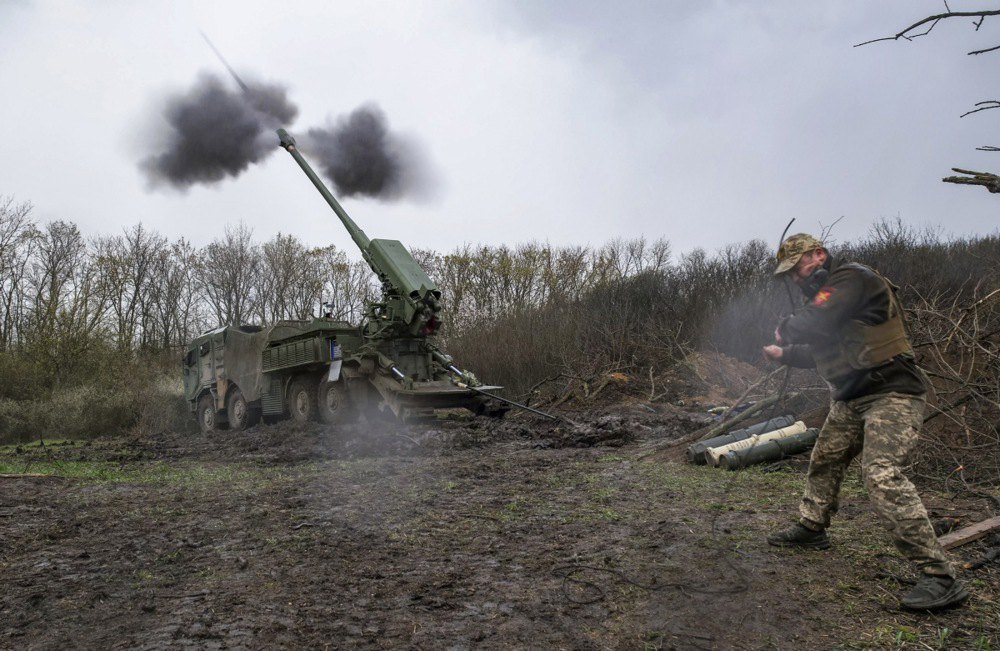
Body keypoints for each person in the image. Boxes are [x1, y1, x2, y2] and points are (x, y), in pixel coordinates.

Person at [763, 233, 968, 611]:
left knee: (881, 474)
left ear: (819, 254)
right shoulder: (832, 300)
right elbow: (821, 347)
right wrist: (785, 353)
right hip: (853, 398)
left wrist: (788, 327)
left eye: (798, 267)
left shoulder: (850, 279)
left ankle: (940, 576)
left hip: (892, 392)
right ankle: (812, 528)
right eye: (789, 273)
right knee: (825, 458)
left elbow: (814, 320)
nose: (795, 278)